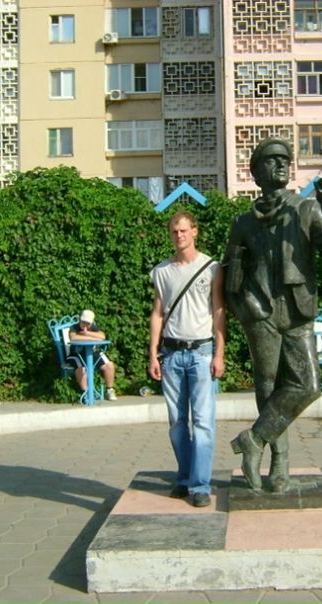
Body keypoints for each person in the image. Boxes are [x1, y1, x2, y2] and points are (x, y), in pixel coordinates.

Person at [224, 138, 322, 492]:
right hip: (260, 312)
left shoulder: (306, 210)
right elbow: (230, 276)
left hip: (298, 310)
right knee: (267, 385)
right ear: (256, 173)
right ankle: (279, 464)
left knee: (308, 385)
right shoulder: (243, 222)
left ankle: (253, 439)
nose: (281, 164)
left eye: (285, 159)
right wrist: (245, 311)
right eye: (271, 160)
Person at [148, 211, 226, 508]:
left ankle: (200, 485)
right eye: (174, 231)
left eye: (183, 230)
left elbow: (219, 310)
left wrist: (219, 353)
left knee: (203, 422)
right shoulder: (162, 271)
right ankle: (184, 478)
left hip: (201, 352)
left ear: (194, 231)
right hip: (171, 354)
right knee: (178, 423)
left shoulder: (211, 267)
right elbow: (158, 313)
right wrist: (153, 353)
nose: (179, 235)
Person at [67, 309, 118, 401]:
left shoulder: (93, 327)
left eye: (88, 323)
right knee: (81, 369)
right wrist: (93, 338)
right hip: (76, 354)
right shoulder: (74, 327)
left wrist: (87, 333)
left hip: (92, 352)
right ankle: (86, 393)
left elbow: (102, 336)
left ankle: (109, 390)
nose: (85, 325)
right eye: (83, 322)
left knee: (109, 365)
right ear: (80, 320)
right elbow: (73, 337)